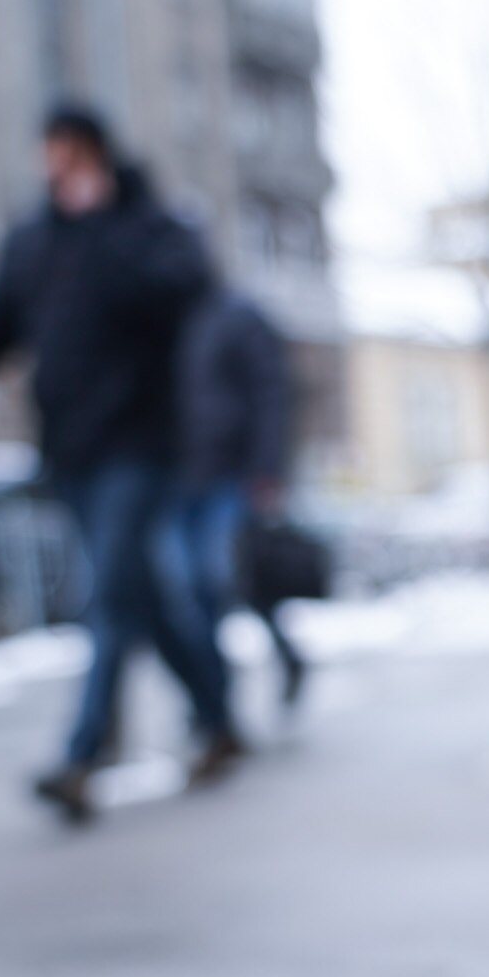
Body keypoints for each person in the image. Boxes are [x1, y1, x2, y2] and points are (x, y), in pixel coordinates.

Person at [0, 103, 240, 821]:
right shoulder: (34, 241)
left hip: (143, 444)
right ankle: (217, 716)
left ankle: (83, 755)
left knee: (112, 593)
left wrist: (105, 224)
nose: (55, 169)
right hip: (74, 447)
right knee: (142, 601)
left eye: (67, 154)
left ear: (91, 153)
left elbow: (189, 290)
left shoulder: (148, 224)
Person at [164, 283, 307, 710]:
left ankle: (224, 694)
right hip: (171, 478)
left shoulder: (235, 314)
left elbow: (272, 392)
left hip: (229, 473)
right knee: (188, 589)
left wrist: (267, 470)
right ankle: (213, 701)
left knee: (220, 578)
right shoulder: (151, 320)